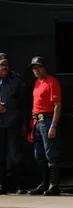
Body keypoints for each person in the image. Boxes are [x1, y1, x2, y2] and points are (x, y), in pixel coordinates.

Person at [28, 56, 62, 196]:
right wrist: (31, 125)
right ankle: (43, 183)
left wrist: (53, 126)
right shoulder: (37, 83)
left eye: (38, 67)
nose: (35, 70)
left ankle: (54, 185)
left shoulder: (52, 82)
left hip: (47, 120)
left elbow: (57, 106)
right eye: (33, 68)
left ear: (44, 68)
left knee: (51, 154)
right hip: (36, 122)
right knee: (39, 155)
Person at [0, 54, 28, 195]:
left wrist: (24, 122)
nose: (4, 67)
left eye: (6, 64)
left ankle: (19, 185)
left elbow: (24, 103)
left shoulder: (16, 80)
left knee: (15, 155)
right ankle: (1, 186)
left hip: (13, 124)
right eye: (1, 65)